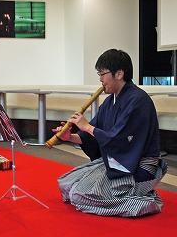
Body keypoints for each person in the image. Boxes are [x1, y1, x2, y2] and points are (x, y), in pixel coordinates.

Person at [53, 49, 167, 217]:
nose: (100, 79)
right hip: (118, 161)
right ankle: (125, 193)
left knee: (79, 195)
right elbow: (92, 135)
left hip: (137, 166)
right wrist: (70, 137)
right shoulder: (109, 101)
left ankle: (144, 202)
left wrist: (87, 127)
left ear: (119, 73)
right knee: (66, 184)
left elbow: (120, 140)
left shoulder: (138, 100)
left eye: (102, 74)